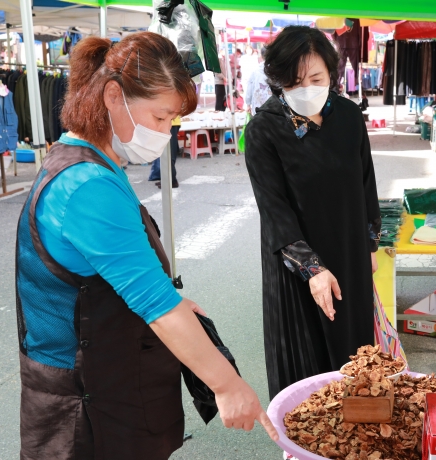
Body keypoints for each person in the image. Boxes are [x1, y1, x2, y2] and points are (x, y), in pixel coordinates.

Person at [14, 32, 278, 459]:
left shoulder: (83, 158)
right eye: (160, 118)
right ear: (113, 96)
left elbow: (111, 271)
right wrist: (227, 385)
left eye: (171, 121)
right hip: (85, 402)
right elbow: (157, 305)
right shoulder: (87, 187)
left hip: (102, 372)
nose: (166, 132)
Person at [245, 26, 382, 401]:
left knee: (352, 364)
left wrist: (370, 246)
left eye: (316, 78)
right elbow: (274, 209)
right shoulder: (263, 130)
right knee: (306, 374)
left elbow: (366, 183)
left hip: (349, 256)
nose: (307, 88)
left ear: (332, 74)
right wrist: (312, 269)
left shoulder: (351, 117)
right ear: (278, 81)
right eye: (294, 81)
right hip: (296, 266)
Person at [148, 115, 180, 188]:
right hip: (169, 121)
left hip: (171, 121)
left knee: (169, 153)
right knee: (166, 152)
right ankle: (167, 179)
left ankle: (172, 181)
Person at [244, 47, 272, 116]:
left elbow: (249, 88)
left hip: (257, 107)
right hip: (272, 107)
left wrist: (248, 104)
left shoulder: (255, 71)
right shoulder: (276, 71)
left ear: (261, 56)